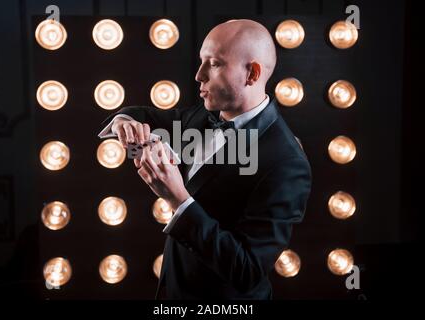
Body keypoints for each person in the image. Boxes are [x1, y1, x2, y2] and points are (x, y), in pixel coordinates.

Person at [98, 19, 311, 299]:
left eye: (215, 63)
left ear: (252, 74)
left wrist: (177, 199)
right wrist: (123, 123)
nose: (199, 75)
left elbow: (247, 271)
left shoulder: (286, 162)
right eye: (202, 61)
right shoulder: (202, 114)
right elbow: (146, 115)